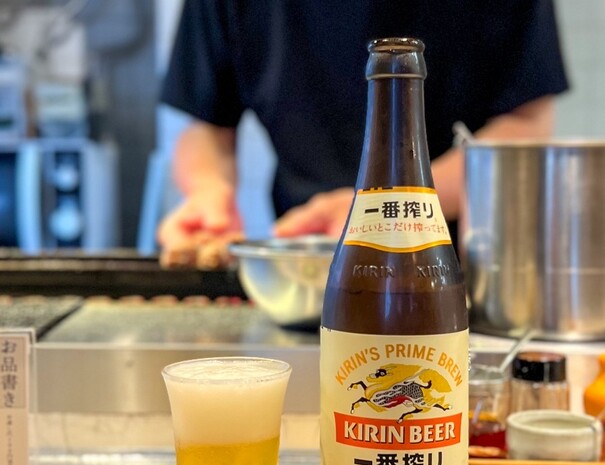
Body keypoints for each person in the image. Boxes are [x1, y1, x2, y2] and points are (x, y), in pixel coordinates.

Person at [158, 0, 569, 267]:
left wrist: (385, 207)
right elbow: (207, 126)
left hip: (451, 259)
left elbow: (525, 124)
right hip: (308, 256)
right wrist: (207, 192)